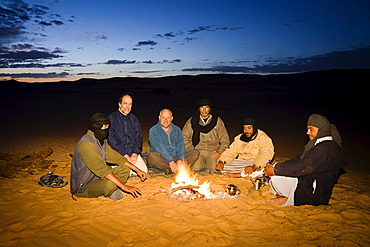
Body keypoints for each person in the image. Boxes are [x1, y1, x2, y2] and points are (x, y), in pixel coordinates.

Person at [264, 114, 346, 206]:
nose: (307, 132)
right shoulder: (320, 144)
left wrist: (275, 170)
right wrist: (275, 167)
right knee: (277, 176)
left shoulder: (324, 149)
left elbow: (304, 167)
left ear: (321, 129)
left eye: (311, 129)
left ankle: (288, 199)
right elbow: (297, 160)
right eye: (308, 129)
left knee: (277, 176)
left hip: (314, 194)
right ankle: (285, 196)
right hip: (307, 182)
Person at [70, 113, 147, 200]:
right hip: (84, 185)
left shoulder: (101, 141)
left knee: (124, 169)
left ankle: (110, 189)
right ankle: (109, 190)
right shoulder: (86, 144)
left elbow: (118, 158)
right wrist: (123, 186)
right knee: (109, 185)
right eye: (103, 127)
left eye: (107, 127)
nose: (105, 130)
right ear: (95, 126)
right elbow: (102, 170)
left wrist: (137, 170)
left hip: (98, 177)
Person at [182, 99, 230, 173]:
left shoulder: (217, 121)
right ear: (199, 109)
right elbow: (184, 137)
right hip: (198, 151)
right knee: (195, 168)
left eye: (206, 107)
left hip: (212, 151)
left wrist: (219, 151)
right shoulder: (192, 121)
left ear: (210, 109)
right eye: (202, 107)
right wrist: (192, 150)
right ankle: (203, 163)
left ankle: (207, 163)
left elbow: (225, 140)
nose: (204, 110)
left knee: (215, 169)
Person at [147, 108, 199, 174]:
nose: (166, 120)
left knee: (195, 153)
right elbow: (159, 148)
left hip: (175, 157)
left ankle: (173, 168)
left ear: (172, 118)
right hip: (163, 158)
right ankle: (176, 168)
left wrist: (180, 159)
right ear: (159, 118)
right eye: (163, 117)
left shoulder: (177, 129)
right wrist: (170, 161)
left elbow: (181, 146)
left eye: (168, 118)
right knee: (152, 156)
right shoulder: (154, 130)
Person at [107, 93, 148, 175]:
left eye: (130, 104)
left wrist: (135, 153)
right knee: (122, 173)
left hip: (132, 153)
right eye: (125, 103)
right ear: (119, 104)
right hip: (118, 153)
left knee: (144, 171)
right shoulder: (112, 118)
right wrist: (124, 155)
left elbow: (138, 137)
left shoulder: (134, 119)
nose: (127, 107)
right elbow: (111, 139)